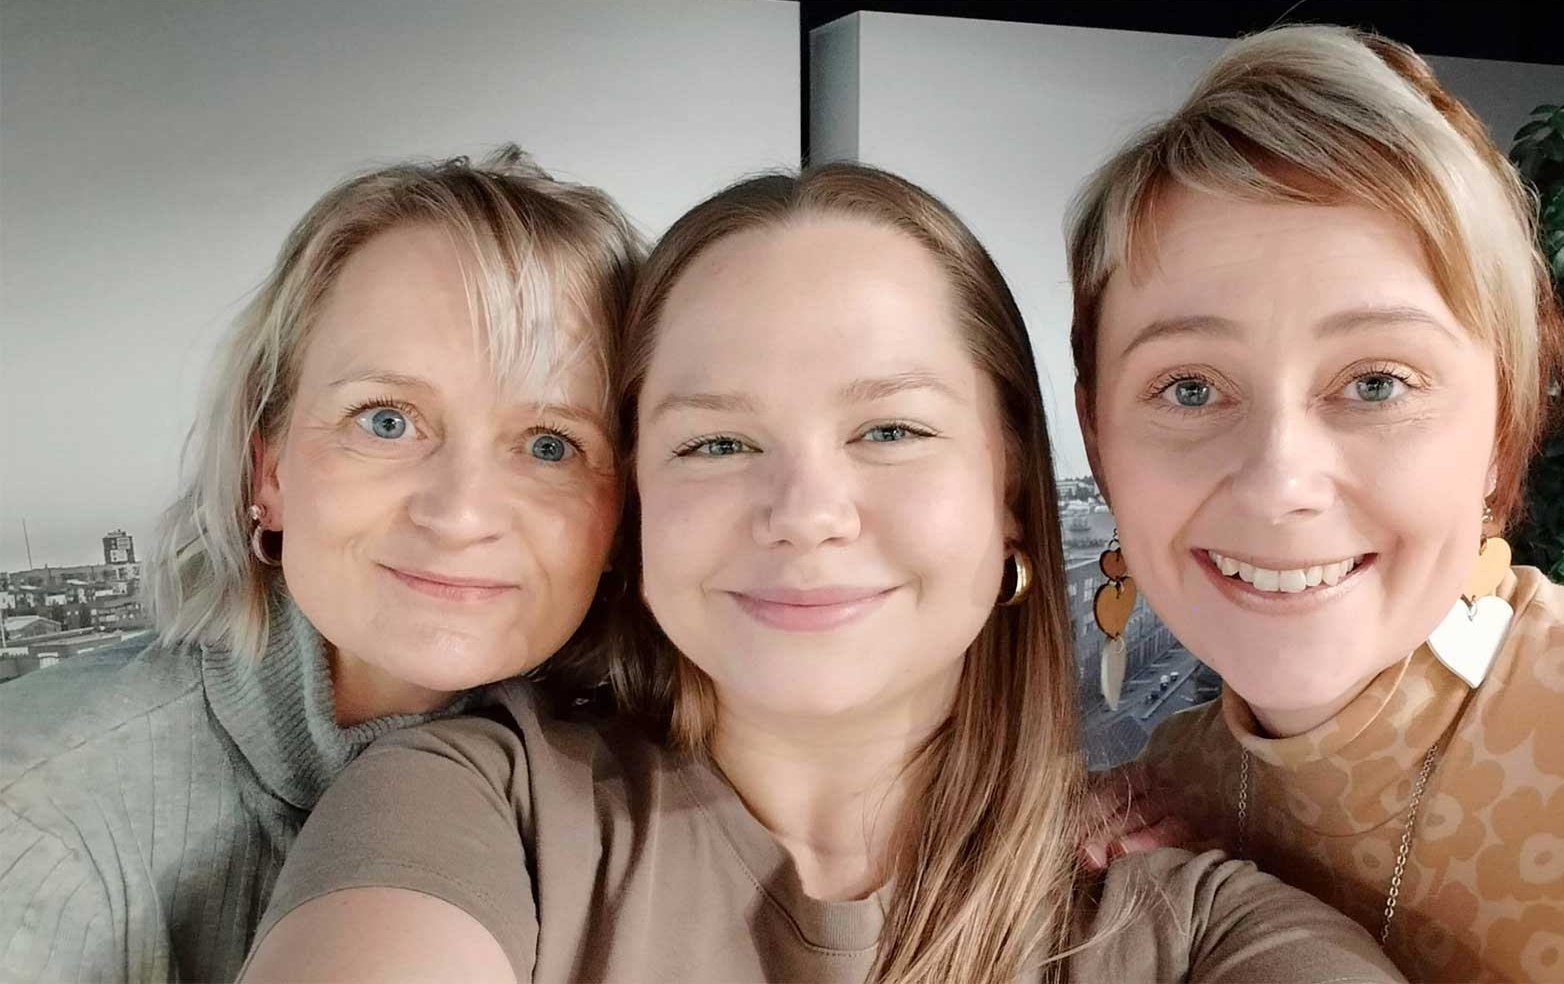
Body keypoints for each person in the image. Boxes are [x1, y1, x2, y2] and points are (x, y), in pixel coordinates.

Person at [240, 163, 1405, 984]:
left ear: (1009, 489)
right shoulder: (469, 808)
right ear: (638, 503)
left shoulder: (1198, 930)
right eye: (715, 442)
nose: (803, 513)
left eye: (889, 430)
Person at [1069, 25, 1564, 981]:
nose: (1279, 482)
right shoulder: (1162, 795)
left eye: (1378, 383)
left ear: (1504, 423)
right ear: (1099, 441)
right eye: (1190, 388)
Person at [0, 147, 643, 983]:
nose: (460, 514)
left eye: (550, 444)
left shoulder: (653, 796)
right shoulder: (40, 824)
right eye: (386, 420)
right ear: (267, 473)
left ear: (623, 514)